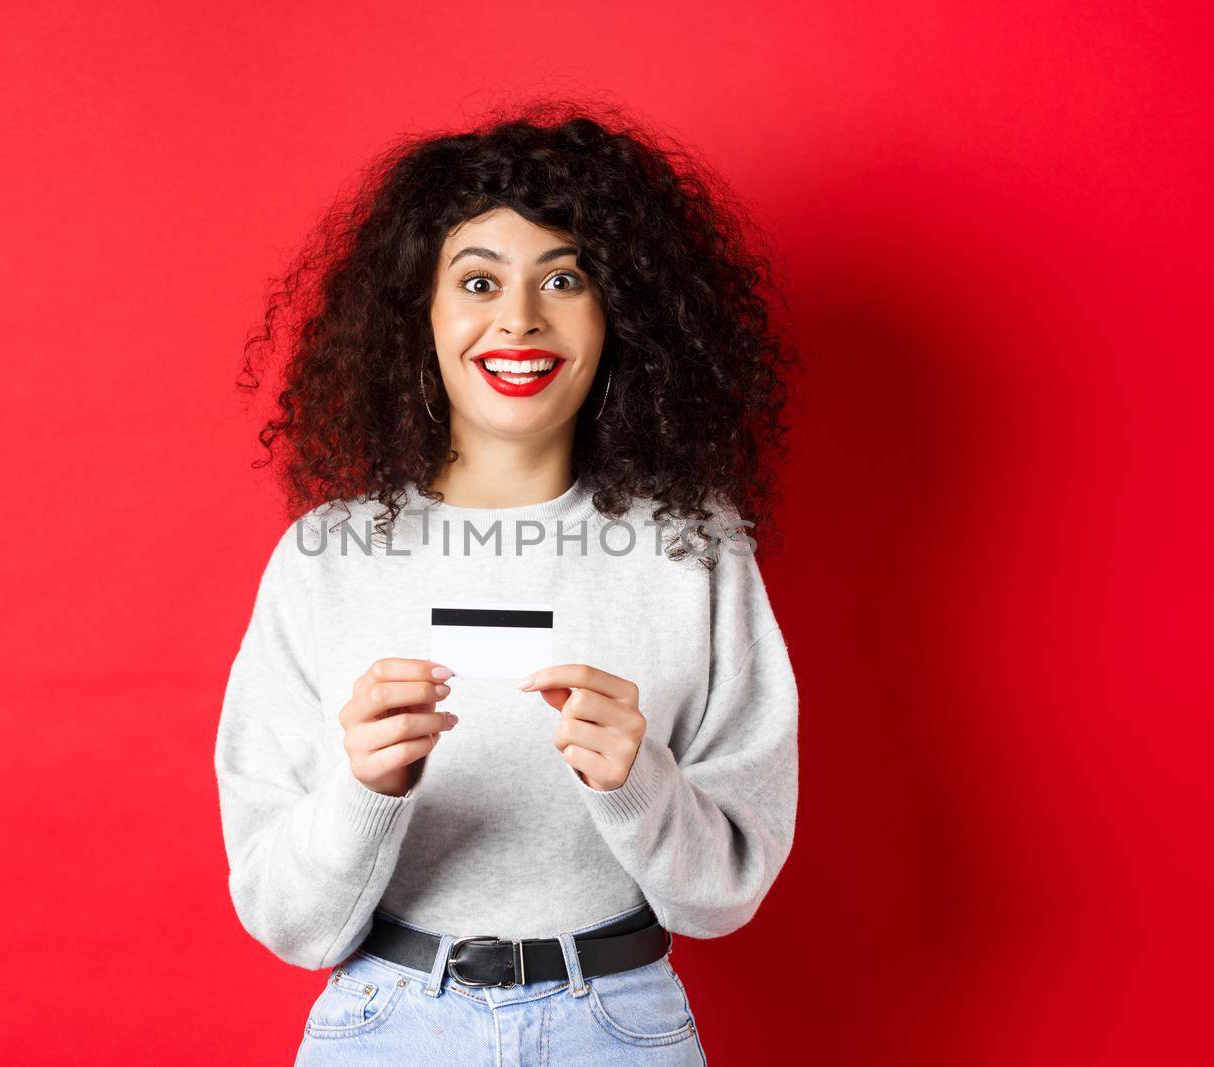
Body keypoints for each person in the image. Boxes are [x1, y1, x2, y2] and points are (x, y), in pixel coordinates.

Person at [215, 102, 801, 1066]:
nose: (519, 318)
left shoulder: (697, 549)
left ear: (622, 314)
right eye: (478, 280)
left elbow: (724, 898)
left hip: (621, 1026)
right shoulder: (326, 556)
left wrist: (637, 781)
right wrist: (366, 787)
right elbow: (291, 925)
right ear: (423, 316)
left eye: (563, 278)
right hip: (386, 1027)